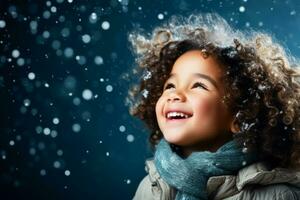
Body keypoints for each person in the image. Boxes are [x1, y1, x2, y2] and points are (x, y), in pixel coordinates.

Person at [125, 13, 300, 200]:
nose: (175, 94)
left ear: (240, 117)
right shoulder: (150, 188)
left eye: (198, 85)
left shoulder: (278, 195)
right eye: (170, 86)